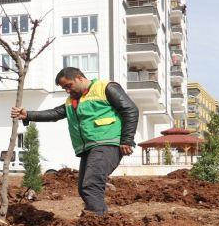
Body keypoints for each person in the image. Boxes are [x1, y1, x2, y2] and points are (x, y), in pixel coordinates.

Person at [11, 67, 139, 215]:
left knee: (91, 184)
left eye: (68, 85)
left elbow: (130, 109)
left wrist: (127, 140)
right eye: (63, 87)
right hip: (89, 147)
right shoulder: (72, 100)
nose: (67, 90)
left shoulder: (106, 88)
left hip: (107, 143)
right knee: (84, 189)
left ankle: (94, 224)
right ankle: (102, 220)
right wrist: (28, 115)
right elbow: (55, 113)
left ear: (79, 78)